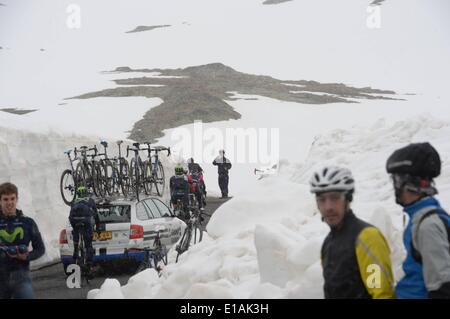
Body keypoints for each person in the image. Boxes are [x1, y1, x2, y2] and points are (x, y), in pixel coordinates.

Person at [310, 166, 395, 299]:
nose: (328, 207)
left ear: (348, 199)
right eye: (322, 200)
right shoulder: (328, 244)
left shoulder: (367, 237)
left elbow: (382, 293)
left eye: (335, 198)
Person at [386, 142, 450, 299]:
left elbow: (442, 286)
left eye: (395, 180)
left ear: (405, 183)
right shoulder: (425, 217)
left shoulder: (427, 225)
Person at [0, 182, 45, 299]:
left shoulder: (28, 222)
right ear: (0, 201)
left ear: (17, 199)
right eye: (5, 199)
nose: (9, 203)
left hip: (20, 275)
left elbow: (40, 249)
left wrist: (26, 256)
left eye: (12, 198)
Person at [69, 185, 99, 264]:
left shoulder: (74, 201)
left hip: (73, 220)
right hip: (85, 220)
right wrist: (98, 226)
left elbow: (71, 213)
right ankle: (89, 261)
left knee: (75, 230)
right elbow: (96, 215)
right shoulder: (90, 200)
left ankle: (75, 248)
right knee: (88, 241)